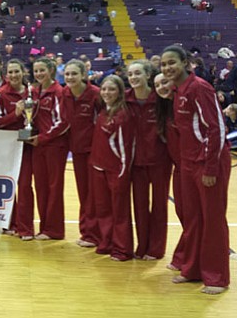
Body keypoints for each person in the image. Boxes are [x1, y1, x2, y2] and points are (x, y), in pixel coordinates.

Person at [160, 44, 231, 294]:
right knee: (193, 219)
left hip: (208, 163)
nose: (168, 68)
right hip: (188, 163)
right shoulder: (178, 91)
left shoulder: (199, 87)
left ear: (186, 62)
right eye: (164, 64)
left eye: (172, 63)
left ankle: (217, 277)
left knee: (212, 220)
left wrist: (210, 167)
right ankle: (192, 269)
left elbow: (216, 128)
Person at [125, 60, 172, 260]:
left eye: (137, 73)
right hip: (135, 163)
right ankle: (142, 245)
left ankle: (156, 249)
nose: (133, 77)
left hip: (160, 161)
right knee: (140, 205)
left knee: (160, 205)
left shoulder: (160, 98)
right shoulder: (125, 99)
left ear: (148, 76)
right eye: (130, 74)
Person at [90, 75, 135, 261]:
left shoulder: (123, 115)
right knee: (104, 210)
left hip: (116, 171)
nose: (107, 93)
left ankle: (122, 249)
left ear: (120, 92)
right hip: (98, 168)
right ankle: (106, 242)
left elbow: (126, 149)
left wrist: (123, 173)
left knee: (120, 211)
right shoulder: (103, 112)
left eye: (112, 89)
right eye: (104, 89)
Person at [0, 58, 31, 240]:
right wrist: (15, 115)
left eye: (16, 71)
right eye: (10, 72)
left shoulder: (31, 93)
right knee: (8, 186)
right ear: (6, 75)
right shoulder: (0, 93)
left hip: (27, 144)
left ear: (23, 72)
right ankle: (9, 223)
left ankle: (26, 227)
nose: (13, 75)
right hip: (6, 145)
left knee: (25, 186)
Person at [61, 59, 102, 247]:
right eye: (67, 74)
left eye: (74, 74)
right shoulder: (65, 94)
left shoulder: (95, 95)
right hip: (76, 151)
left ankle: (95, 234)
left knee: (95, 194)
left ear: (83, 75)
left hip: (95, 151)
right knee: (84, 193)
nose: (70, 77)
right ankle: (87, 232)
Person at [28, 57, 69, 240]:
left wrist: (43, 137)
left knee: (54, 187)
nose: (38, 74)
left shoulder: (58, 92)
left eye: (42, 70)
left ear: (51, 70)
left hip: (54, 145)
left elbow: (64, 122)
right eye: (36, 71)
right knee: (41, 187)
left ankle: (54, 230)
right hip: (38, 145)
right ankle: (44, 227)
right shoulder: (35, 92)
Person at [153, 73, 185, 272]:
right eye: (157, 85)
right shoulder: (165, 109)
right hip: (180, 170)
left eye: (164, 82)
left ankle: (186, 258)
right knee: (183, 214)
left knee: (193, 217)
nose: (161, 87)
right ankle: (185, 257)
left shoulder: (184, 103)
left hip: (194, 167)